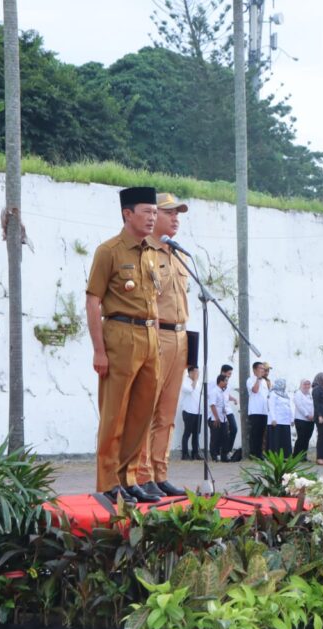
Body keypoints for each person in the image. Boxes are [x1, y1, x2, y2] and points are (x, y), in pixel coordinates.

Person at [86, 186, 163, 505]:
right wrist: (99, 350)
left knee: (141, 414)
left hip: (149, 337)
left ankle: (128, 477)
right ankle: (107, 481)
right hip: (119, 334)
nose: (152, 218)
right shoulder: (110, 250)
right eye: (147, 212)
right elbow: (93, 301)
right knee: (114, 413)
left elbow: (152, 301)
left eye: (155, 213)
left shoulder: (151, 252)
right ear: (127, 213)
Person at [134, 192, 191, 498]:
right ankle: (143, 476)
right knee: (148, 409)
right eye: (170, 213)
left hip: (181, 338)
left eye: (178, 214)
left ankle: (160, 472)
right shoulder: (146, 254)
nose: (175, 219)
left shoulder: (177, 254)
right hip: (157, 336)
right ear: (154, 217)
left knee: (168, 414)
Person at [246, 361, 271, 459]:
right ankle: (253, 453)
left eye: (263, 368)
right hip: (255, 411)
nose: (263, 370)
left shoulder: (265, 381)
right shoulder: (250, 380)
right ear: (255, 370)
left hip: (264, 411)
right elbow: (255, 390)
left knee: (261, 434)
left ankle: (259, 453)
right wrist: (258, 379)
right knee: (255, 433)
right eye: (260, 368)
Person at [180, 365, 202, 461]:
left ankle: (195, 453)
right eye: (195, 372)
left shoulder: (198, 382)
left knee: (196, 434)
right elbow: (190, 390)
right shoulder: (185, 381)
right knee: (187, 433)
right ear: (190, 372)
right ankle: (185, 454)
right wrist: (195, 380)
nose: (197, 374)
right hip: (188, 411)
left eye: (198, 372)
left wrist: (196, 380)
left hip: (198, 411)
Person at [208, 374, 230, 462]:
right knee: (215, 438)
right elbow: (213, 405)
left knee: (225, 437)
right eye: (225, 381)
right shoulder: (214, 391)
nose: (227, 383)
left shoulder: (222, 392)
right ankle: (214, 456)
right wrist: (216, 418)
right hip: (215, 418)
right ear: (220, 381)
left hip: (223, 418)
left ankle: (224, 456)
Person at [293, 379, 315, 456]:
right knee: (301, 438)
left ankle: (303, 456)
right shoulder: (298, 393)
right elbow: (299, 405)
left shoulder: (310, 394)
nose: (307, 386)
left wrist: (313, 415)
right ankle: (296, 456)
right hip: (301, 419)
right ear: (301, 384)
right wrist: (307, 415)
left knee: (307, 438)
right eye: (305, 384)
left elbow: (313, 406)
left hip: (311, 420)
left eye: (308, 384)